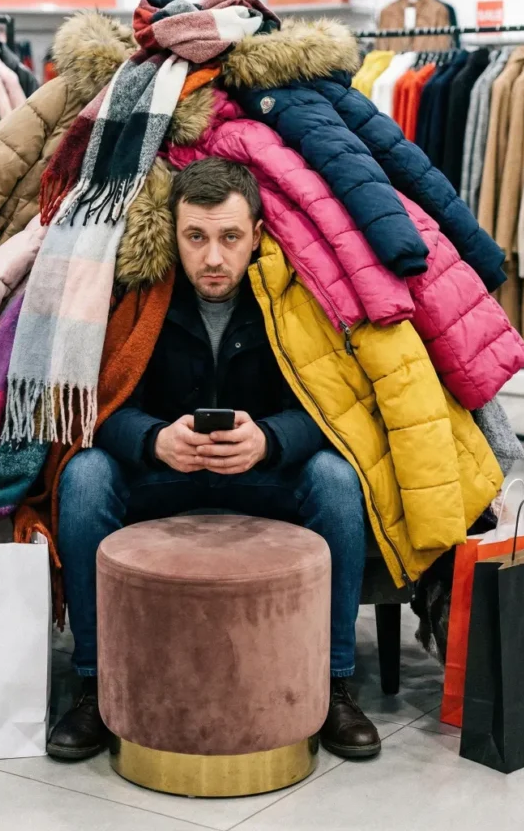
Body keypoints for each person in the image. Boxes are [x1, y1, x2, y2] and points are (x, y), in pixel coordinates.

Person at [48, 158, 379, 762]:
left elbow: (333, 409)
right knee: (84, 476)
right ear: (173, 234)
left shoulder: (288, 298)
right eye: (195, 237)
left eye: (230, 237)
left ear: (257, 235)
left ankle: (332, 684)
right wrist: (154, 440)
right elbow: (98, 404)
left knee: (335, 479)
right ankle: (95, 683)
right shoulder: (143, 297)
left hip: (262, 478)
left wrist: (269, 440)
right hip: (163, 477)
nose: (213, 258)